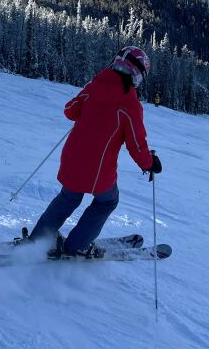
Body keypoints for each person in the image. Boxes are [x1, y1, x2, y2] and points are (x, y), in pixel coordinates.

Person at [26, 46, 162, 258]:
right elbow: (136, 144)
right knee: (107, 201)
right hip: (98, 170)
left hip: (71, 159)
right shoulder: (129, 104)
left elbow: (70, 111)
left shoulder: (94, 86)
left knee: (68, 197)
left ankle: (39, 239)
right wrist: (149, 163)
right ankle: (77, 245)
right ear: (136, 75)